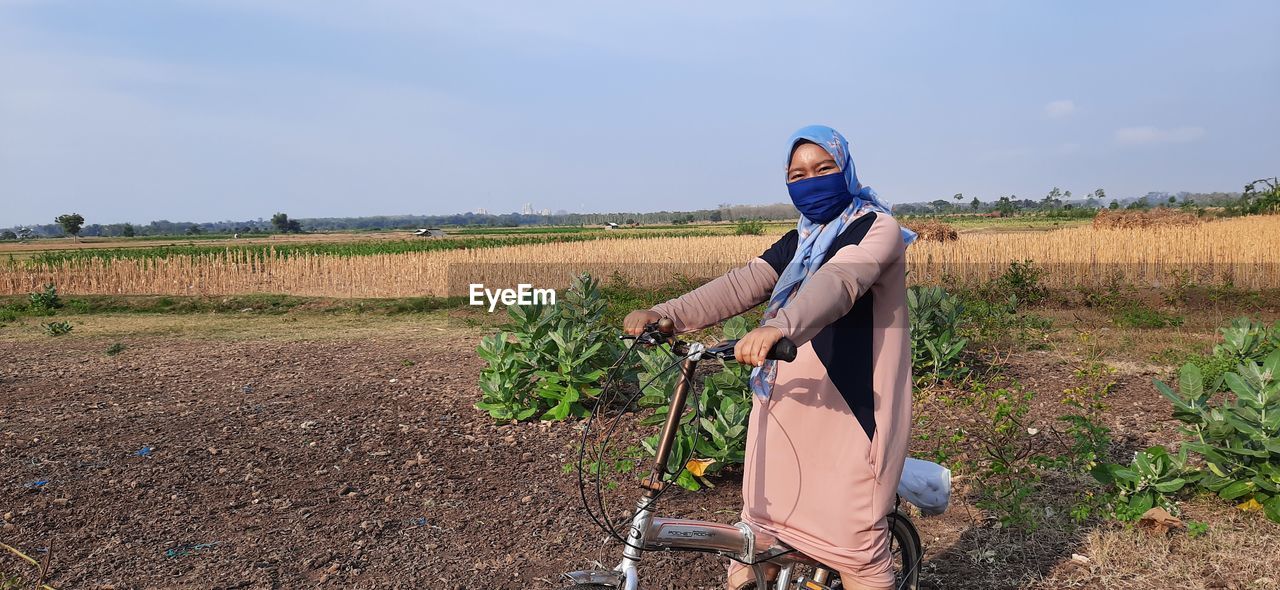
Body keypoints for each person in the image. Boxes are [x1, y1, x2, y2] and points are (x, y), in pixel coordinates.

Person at [623, 125, 916, 590]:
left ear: (847, 169)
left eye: (824, 169)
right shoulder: (799, 242)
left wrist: (780, 325)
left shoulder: (877, 229)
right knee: (762, 533)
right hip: (785, 404)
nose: (811, 181)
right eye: (797, 174)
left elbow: (841, 281)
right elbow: (742, 284)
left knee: (855, 547)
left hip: (853, 412)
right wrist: (667, 314)